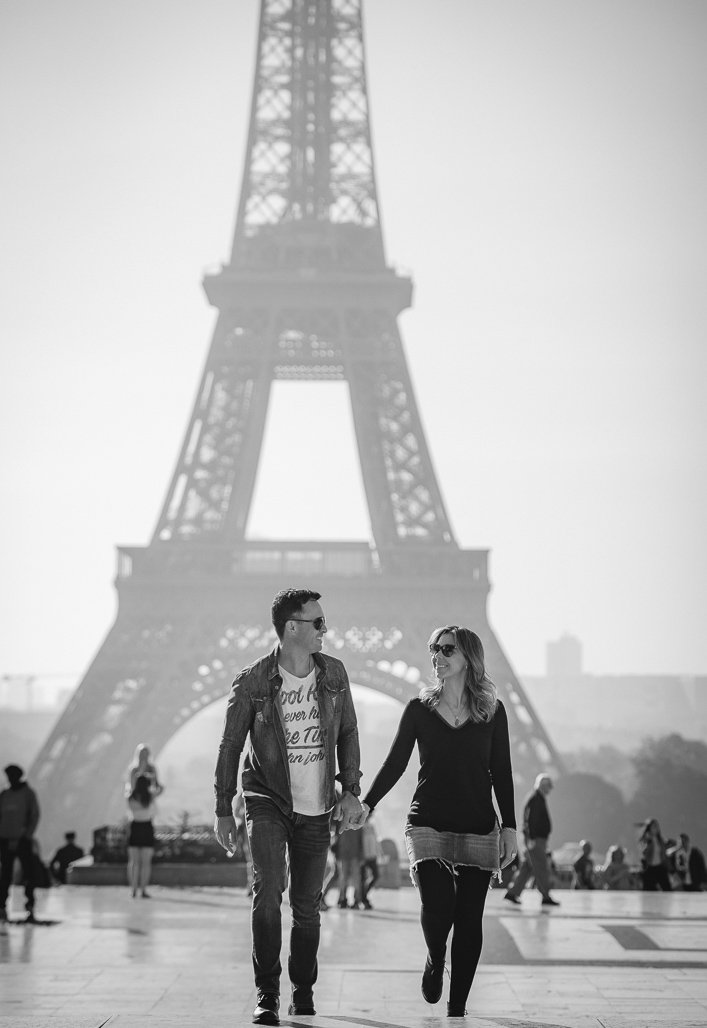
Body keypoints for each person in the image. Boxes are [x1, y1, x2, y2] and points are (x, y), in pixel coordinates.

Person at [214, 588, 363, 1026]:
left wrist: (350, 788)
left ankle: (302, 989)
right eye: (318, 623)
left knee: (307, 906)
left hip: (316, 805)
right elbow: (230, 745)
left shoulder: (334, 673)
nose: (325, 630)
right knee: (267, 892)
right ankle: (267, 993)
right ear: (292, 627)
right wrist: (224, 806)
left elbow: (349, 732)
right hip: (267, 797)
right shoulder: (254, 681)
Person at [357, 625, 517, 1018]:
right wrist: (368, 804)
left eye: (447, 650)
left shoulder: (493, 713)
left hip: (479, 824)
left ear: (469, 657)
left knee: (469, 919)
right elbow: (396, 761)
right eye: (434, 649)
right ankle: (434, 957)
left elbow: (502, 771)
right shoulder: (419, 710)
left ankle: (457, 1008)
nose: (438, 657)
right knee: (438, 901)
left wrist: (510, 826)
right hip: (427, 821)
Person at [504, 773, 560, 907]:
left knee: (528, 868)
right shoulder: (536, 799)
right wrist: (532, 838)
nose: (549, 790)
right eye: (548, 787)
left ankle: (512, 892)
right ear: (543, 786)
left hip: (535, 840)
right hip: (535, 840)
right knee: (541, 868)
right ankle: (546, 895)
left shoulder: (537, 798)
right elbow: (531, 821)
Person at [0, 764, 40, 923]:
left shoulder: (28, 794)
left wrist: (26, 835)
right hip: (5, 839)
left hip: (22, 841)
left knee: (28, 874)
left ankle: (29, 905)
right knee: (5, 875)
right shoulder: (4, 794)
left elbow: (34, 816)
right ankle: (2, 905)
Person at [127, 773, 157, 898]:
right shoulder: (150, 797)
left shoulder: (131, 798)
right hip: (147, 827)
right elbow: (160, 789)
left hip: (135, 827)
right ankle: (143, 889)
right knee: (146, 863)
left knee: (134, 862)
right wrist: (154, 780)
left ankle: (133, 889)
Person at [638, 818, 672, 891]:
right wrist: (650, 842)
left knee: (667, 889)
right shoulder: (646, 840)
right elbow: (644, 852)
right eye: (654, 826)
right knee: (649, 889)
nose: (656, 828)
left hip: (660, 867)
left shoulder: (661, 840)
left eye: (657, 826)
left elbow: (664, 853)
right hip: (649, 868)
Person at [359, 811, 381, 909]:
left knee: (376, 875)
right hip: (363, 856)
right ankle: (363, 899)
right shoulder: (360, 826)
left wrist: (379, 853)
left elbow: (376, 840)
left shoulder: (371, 826)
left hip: (372, 855)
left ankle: (364, 895)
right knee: (362, 879)